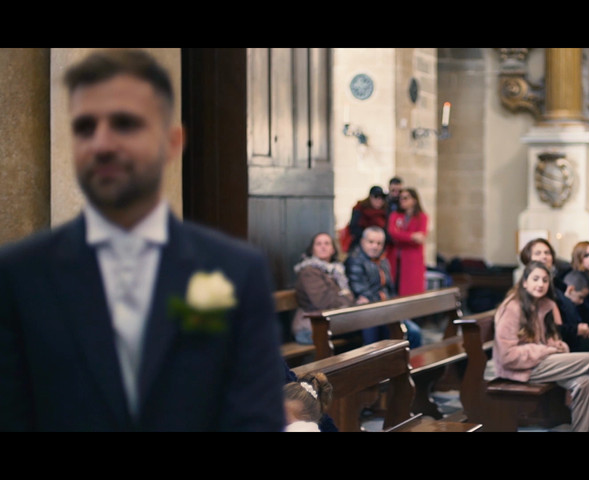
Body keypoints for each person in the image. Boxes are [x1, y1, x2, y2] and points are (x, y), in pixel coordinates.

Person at [0, 49, 284, 431]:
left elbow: (253, 421)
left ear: (172, 141)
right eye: (85, 127)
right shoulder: (21, 275)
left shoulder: (235, 270)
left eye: (125, 124)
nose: (101, 144)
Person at [493, 261, 589, 432]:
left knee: (586, 383)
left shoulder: (545, 305)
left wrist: (558, 345)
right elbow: (507, 356)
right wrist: (546, 350)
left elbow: (548, 339)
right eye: (535, 279)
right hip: (521, 368)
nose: (540, 284)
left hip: (542, 362)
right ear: (525, 282)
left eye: (544, 280)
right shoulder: (512, 308)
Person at [345, 226, 422, 348]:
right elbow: (360, 289)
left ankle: (410, 364)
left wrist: (393, 304)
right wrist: (382, 301)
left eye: (379, 243)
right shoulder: (355, 260)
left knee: (414, 332)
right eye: (371, 242)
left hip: (386, 309)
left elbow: (390, 288)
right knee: (376, 342)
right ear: (362, 242)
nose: (375, 246)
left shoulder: (383, 261)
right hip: (369, 311)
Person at [291, 232, 356, 345]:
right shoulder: (309, 272)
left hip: (330, 323)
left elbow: (346, 296)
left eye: (327, 243)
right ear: (312, 250)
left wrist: (344, 296)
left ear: (333, 249)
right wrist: (346, 297)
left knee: (369, 326)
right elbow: (324, 303)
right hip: (310, 328)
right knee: (363, 330)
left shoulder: (336, 271)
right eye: (318, 244)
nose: (323, 246)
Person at [387, 187, 428, 296]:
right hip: (395, 257)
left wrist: (402, 236)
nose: (402, 201)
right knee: (395, 287)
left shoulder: (422, 217)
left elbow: (421, 237)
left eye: (406, 198)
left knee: (411, 289)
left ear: (414, 200)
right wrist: (412, 236)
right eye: (401, 198)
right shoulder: (395, 215)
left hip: (412, 259)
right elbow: (392, 233)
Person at [560, 270, 589, 358]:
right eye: (580, 297)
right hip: (569, 342)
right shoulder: (560, 302)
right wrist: (578, 329)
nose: (582, 301)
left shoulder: (579, 305)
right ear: (571, 289)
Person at [345, 185, 387, 252]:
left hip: (379, 248)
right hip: (360, 246)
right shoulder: (360, 209)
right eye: (376, 197)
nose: (379, 200)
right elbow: (354, 228)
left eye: (382, 198)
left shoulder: (385, 212)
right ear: (370, 197)